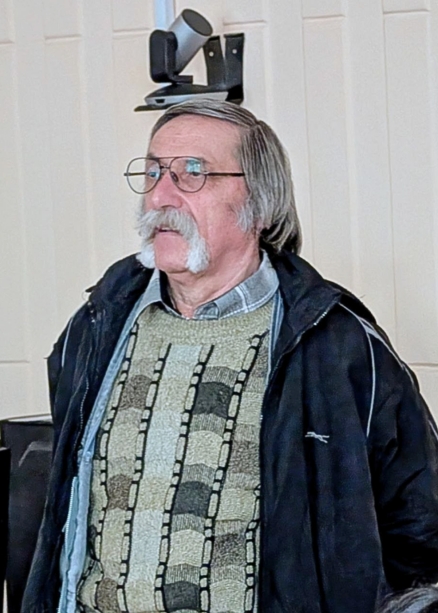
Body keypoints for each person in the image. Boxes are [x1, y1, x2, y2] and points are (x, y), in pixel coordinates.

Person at [22, 99, 438, 613]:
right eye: (153, 172)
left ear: (259, 204)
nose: (160, 196)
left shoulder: (336, 344)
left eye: (192, 172)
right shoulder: (96, 325)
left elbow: (420, 530)